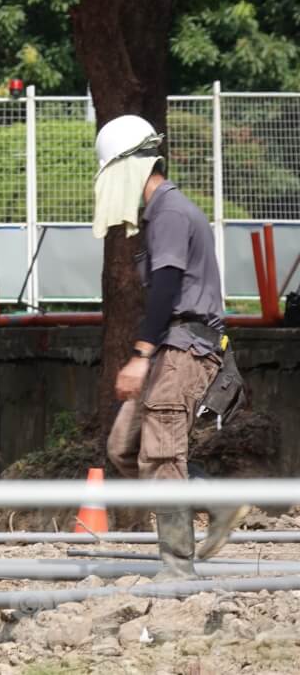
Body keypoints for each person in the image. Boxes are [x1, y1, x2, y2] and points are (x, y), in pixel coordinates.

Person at [93, 115, 248, 580]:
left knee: (161, 455)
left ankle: (178, 569)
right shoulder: (160, 214)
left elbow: (166, 288)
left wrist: (140, 356)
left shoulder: (171, 212)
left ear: (127, 168)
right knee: (124, 447)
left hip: (184, 348)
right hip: (171, 345)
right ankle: (217, 501)